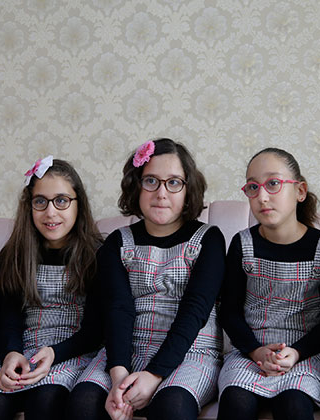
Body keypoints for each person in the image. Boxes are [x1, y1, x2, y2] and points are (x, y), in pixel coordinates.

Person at [75, 139, 225, 420]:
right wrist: (120, 377)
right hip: (125, 350)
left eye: (174, 182)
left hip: (190, 352)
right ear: (136, 186)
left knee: (172, 407)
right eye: (151, 181)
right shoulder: (118, 242)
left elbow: (195, 310)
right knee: (83, 402)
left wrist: (154, 374)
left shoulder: (208, 239)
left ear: (188, 189)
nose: (161, 193)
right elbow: (118, 309)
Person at [0, 156, 103, 420]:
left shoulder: (97, 255)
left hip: (73, 352)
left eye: (61, 201)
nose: (50, 212)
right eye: (40, 201)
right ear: (29, 205)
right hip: (24, 349)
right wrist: (11, 354)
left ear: (78, 203)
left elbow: (95, 331)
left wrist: (54, 353)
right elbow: (9, 319)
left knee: (44, 401)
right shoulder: (15, 254)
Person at [217, 148, 320, 420]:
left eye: (273, 183)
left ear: (300, 191)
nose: (262, 196)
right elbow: (230, 311)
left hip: (306, 355)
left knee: (293, 404)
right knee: (236, 401)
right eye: (253, 187)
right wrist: (256, 351)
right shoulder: (242, 244)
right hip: (250, 353)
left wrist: (296, 352)